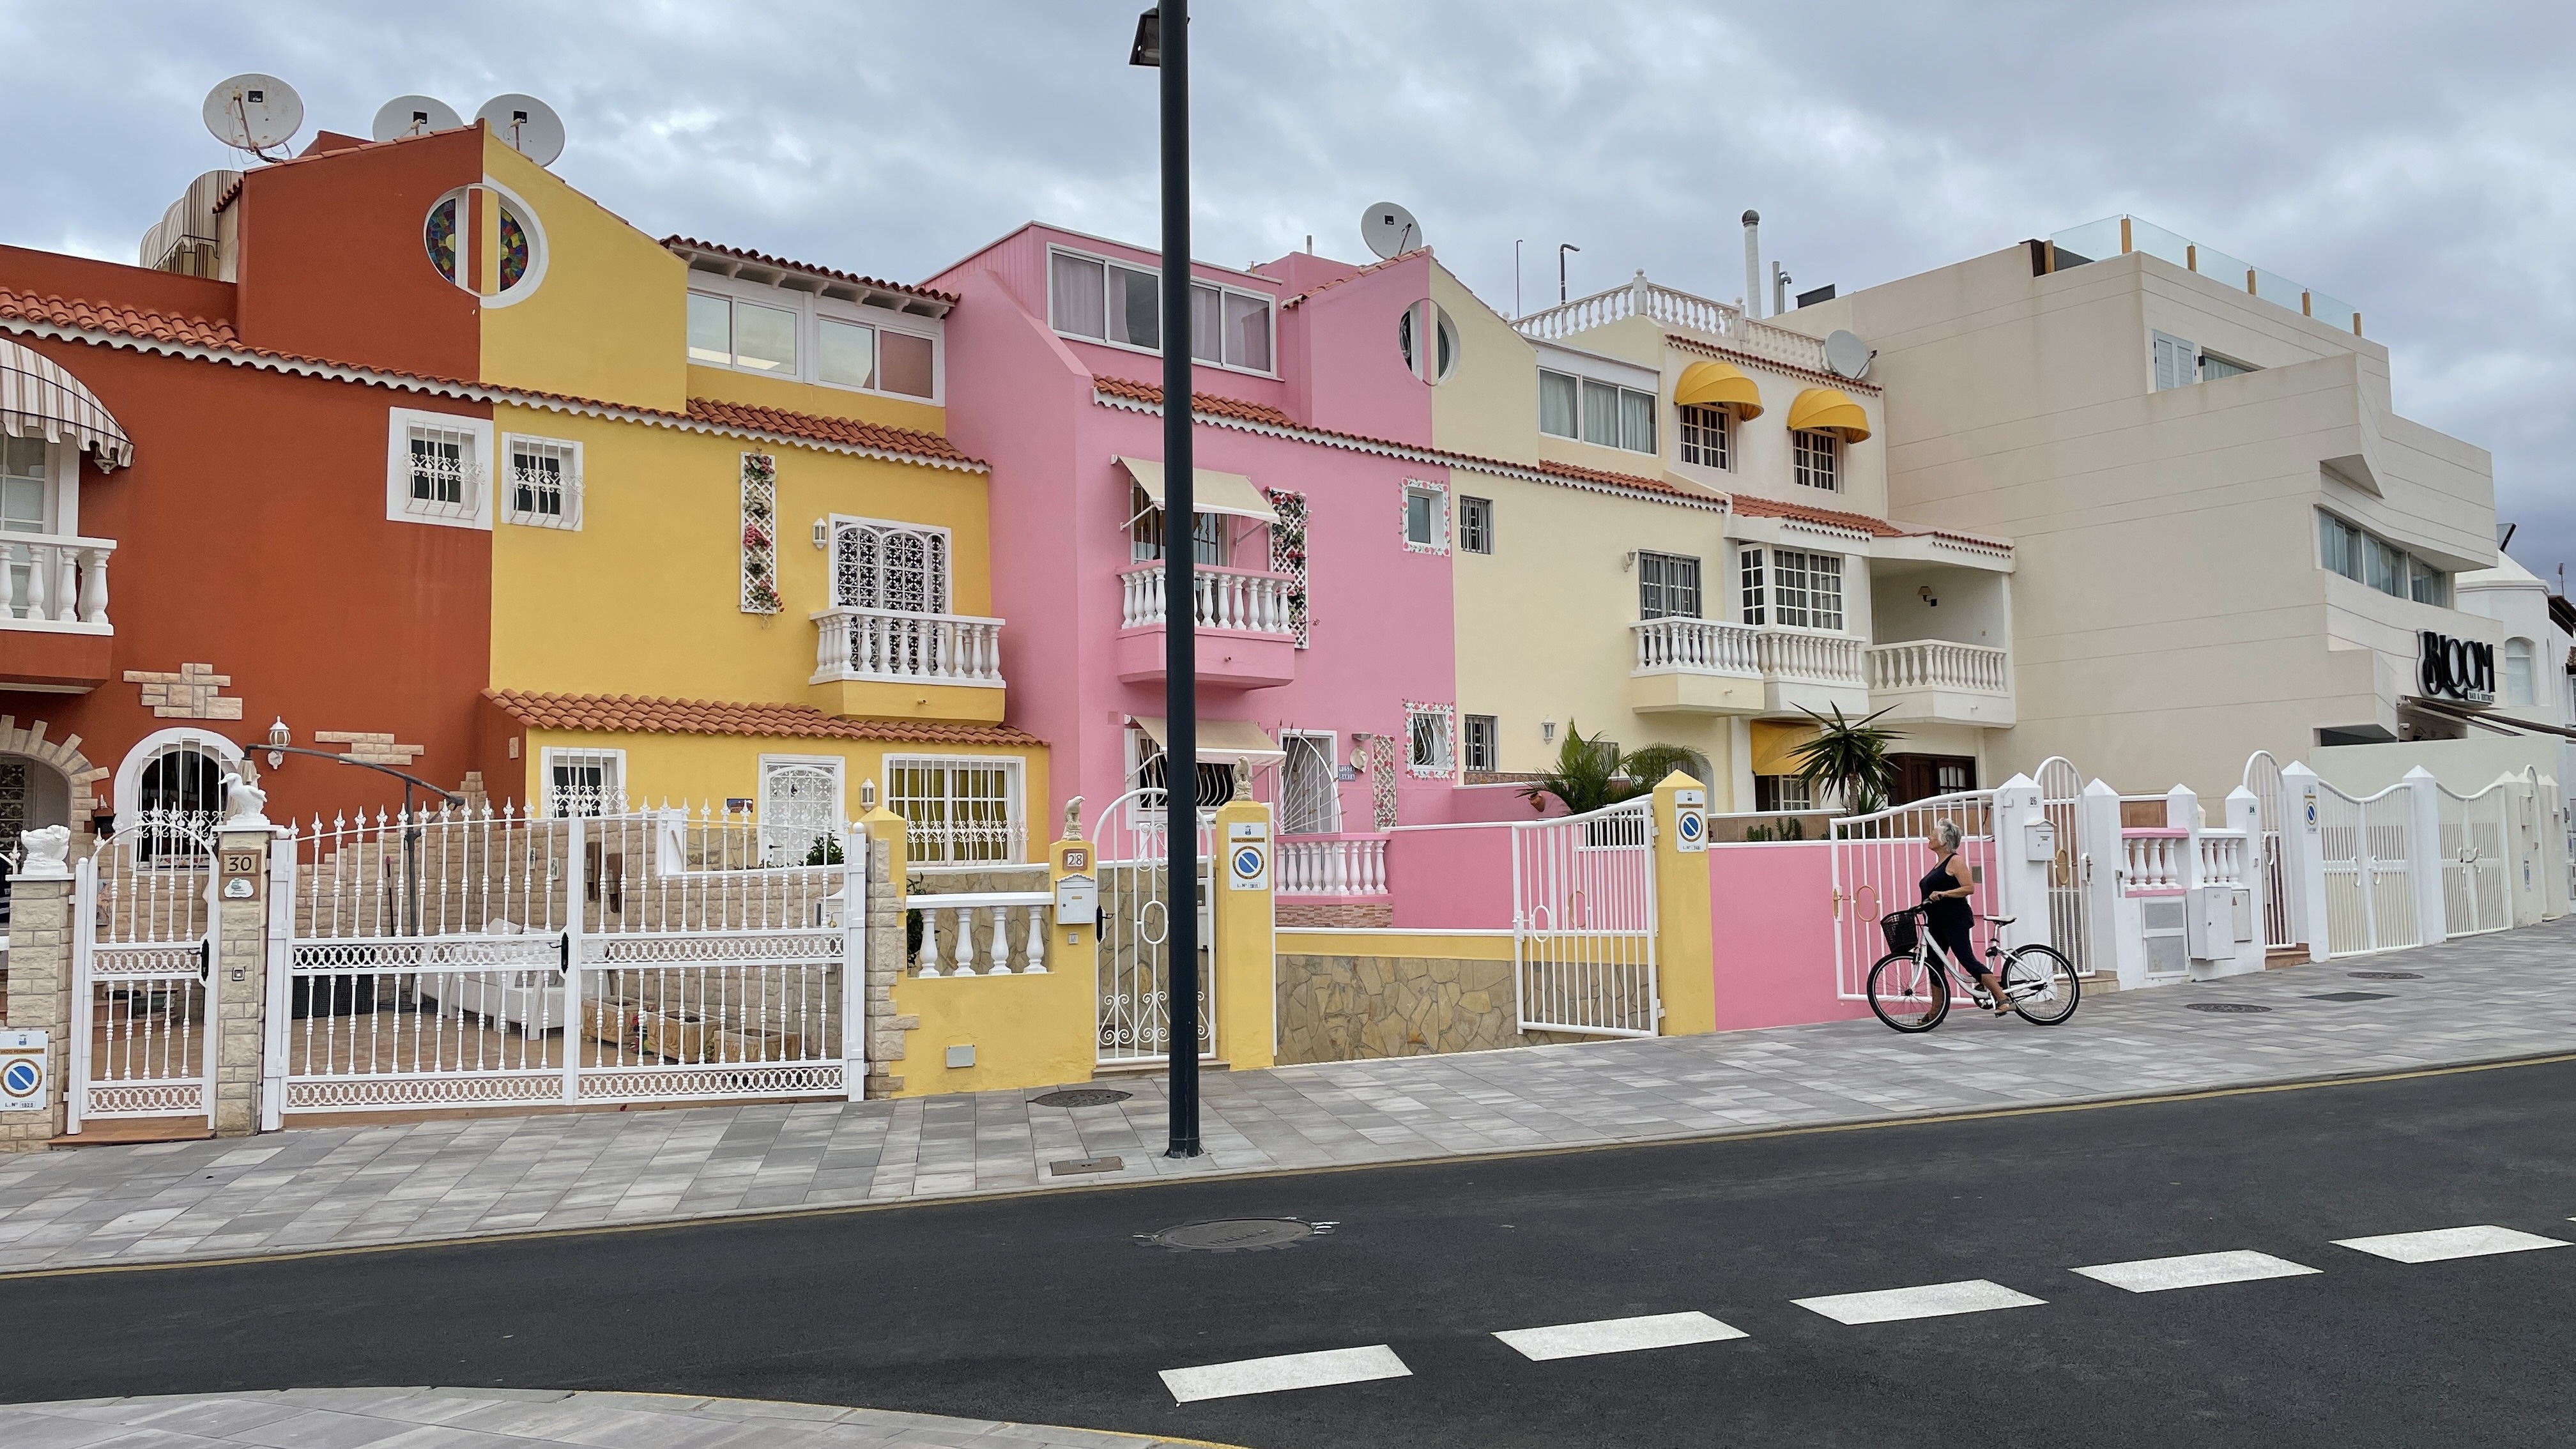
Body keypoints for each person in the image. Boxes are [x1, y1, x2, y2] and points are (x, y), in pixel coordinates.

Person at [1920, 819, 2009, 1016]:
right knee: (1933, 964)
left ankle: (2002, 998)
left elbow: (1969, 888)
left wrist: (1944, 894)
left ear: (1944, 841)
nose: (1929, 838)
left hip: (1954, 919)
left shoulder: (1955, 861)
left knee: (1966, 959)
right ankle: (1935, 1012)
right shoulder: (1939, 864)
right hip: (1936, 922)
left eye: (1933, 835)